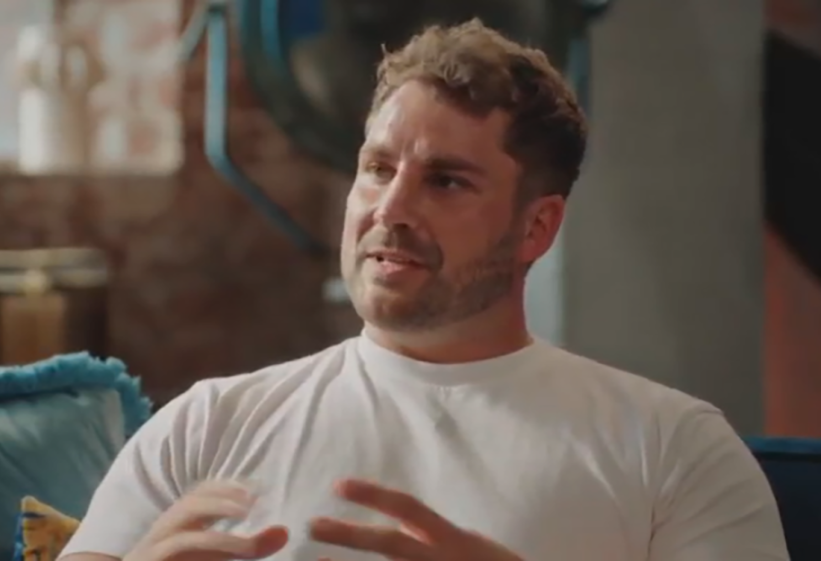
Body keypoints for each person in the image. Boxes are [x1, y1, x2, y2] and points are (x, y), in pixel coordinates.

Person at [60, 19, 788, 561]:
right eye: (378, 168)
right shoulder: (206, 425)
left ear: (536, 228)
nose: (390, 208)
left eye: (445, 180)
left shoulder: (671, 449)